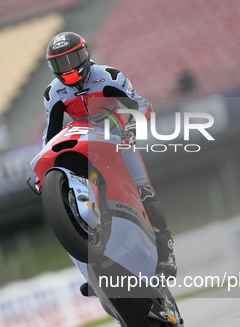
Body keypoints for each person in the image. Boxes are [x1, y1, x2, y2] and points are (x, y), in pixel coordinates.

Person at [42, 32, 177, 293]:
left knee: (146, 194)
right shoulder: (53, 93)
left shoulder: (109, 76)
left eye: (73, 59)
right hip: (85, 146)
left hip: (119, 141)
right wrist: (44, 171)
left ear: (85, 55)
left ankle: (166, 248)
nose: (68, 69)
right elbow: (50, 135)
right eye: (61, 64)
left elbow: (141, 106)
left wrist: (132, 126)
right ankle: (94, 266)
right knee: (71, 193)